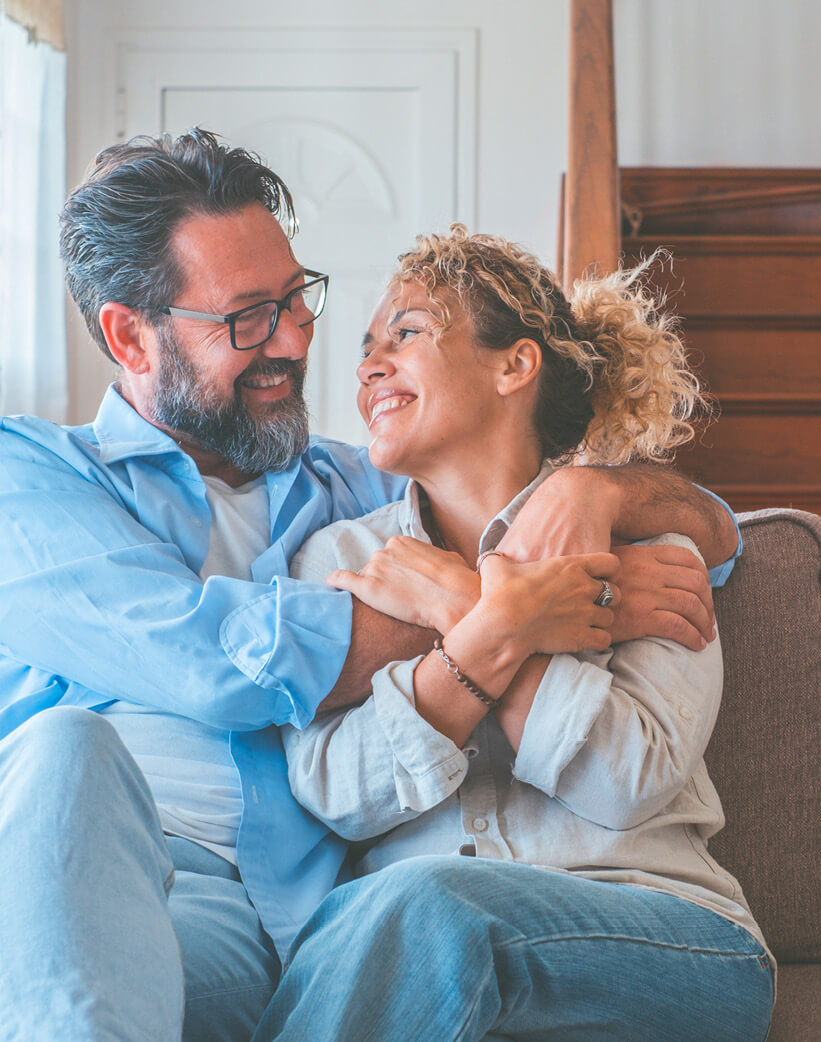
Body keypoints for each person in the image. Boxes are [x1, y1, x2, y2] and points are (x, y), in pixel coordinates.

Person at [0, 129, 740, 1042]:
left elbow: (700, 537)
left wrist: (599, 492)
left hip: (270, 916)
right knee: (66, 747)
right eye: (246, 319)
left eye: (296, 301)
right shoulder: (32, 476)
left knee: (378, 931)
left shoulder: (353, 494)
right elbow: (212, 660)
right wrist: (510, 608)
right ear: (129, 336)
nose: (294, 344)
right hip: (90, 865)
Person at [257, 226, 775, 1041]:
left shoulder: (650, 550)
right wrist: (503, 624)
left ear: (514, 365)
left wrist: (461, 606)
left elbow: (627, 779)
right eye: (366, 347)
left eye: (408, 332)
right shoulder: (340, 557)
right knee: (409, 910)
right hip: (404, 942)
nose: (367, 365)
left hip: (666, 939)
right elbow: (334, 793)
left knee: (426, 903)